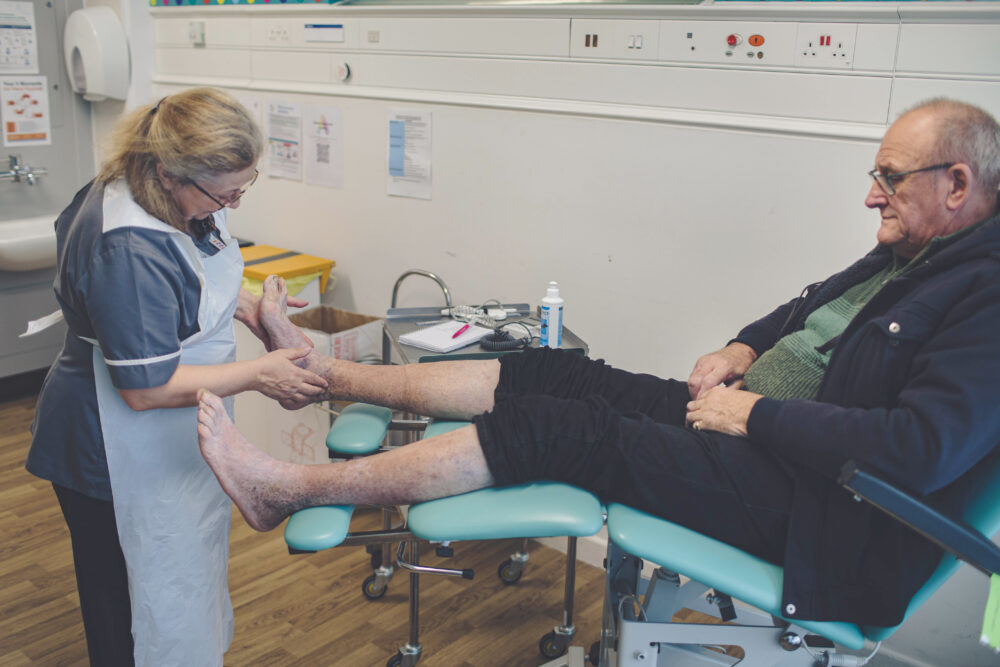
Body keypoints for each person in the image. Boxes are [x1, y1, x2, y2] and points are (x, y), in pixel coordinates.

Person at [197, 97, 1000, 629]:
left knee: (561, 430)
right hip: (750, 432)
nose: (872, 196)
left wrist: (753, 412)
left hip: (823, 513)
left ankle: (288, 489)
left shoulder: (987, 295)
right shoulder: (913, 251)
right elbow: (804, 311)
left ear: (958, 183)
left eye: (889, 178)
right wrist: (740, 349)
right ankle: (321, 375)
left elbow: (917, 449)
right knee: (552, 369)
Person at [25, 88, 328, 666]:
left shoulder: (164, 192)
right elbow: (144, 389)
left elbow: (187, 277)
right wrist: (259, 374)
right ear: (168, 172)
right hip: (107, 443)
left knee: (179, 570)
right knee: (126, 601)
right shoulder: (127, 246)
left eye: (244, 187)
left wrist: (244, 306)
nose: (231, 203)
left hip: (164, 434)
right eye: (224, 194)